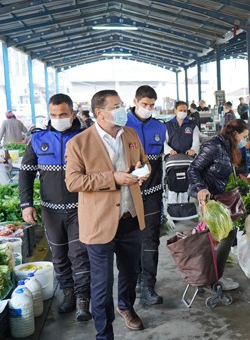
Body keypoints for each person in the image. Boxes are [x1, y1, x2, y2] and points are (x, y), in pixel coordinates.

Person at [65, 89, 150, 339]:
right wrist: (113, 178)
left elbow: (145, 162)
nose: (122, 109)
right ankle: (104, 333)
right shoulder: (79, 143)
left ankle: (126, 306)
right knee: (102, 285)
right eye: (116, 106)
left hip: (130, 217)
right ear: (100, 113)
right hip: (100, 222)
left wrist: (141, 171)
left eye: (121, 104)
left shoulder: (131, 134)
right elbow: (73, 182)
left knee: (130, 272)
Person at [19, 93, 91, 321]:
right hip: (50, 211)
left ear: (72, 114)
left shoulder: (85, 137)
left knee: (79, 254)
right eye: (53, 115)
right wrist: (26, 204)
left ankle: (82, 299)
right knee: (59, 255)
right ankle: (67, 293)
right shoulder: (38, 140)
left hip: (80, 208)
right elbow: (26, 174)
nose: (58, 118)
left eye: (62, 114)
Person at [187, 119, 249, 291]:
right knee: (224, 234)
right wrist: (201, 189)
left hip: (216, 196)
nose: (244, 140)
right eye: (243, 136)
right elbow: (193, 169)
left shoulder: (226, 146)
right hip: (207, 197)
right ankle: (214, 280)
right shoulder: (214, 146)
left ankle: (209, 277)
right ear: (235, 134)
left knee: (219, 236)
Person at [125, 85, 167, 305]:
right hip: (128, 194)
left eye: (152, 105)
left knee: (151, 238)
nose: (148, 109)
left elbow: (161, 159)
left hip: (152, 192)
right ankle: (135, 278)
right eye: (144, 105)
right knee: (132, 239)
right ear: (135, 101)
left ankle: (149, 285)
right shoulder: (122, 125)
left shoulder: (159, 127)